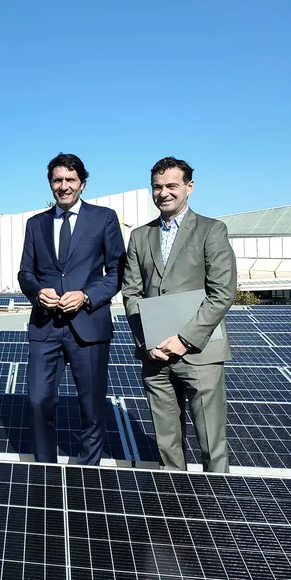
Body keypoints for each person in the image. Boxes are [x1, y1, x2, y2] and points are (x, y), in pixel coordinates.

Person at [123, 157, 236, 473]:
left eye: (172, 185)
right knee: (167, 447)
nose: (164, 193)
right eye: (158, 187)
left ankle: (216, 515)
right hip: (155, 355)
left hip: (199, 353)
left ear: (189, 187)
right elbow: (131, 294)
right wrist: (149, 341)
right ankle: (175, 512)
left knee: (212, 447)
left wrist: (184, 340)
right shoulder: (140, 236)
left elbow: (222, 292)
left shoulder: (211, 230)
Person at [18, 153, 126, 465]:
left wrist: (87, 296)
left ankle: (86, 472)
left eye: (70, 180)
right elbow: (25, 273)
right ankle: (46, 469)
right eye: (57, 180)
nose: (64, 186)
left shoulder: (104, 218)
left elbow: (118, 270)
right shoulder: (36, 224)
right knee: (38, 401)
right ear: (50, 183)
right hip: (45, 326)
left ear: (82, 183)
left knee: (92, 406)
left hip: (88, 325)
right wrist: (39, 292)